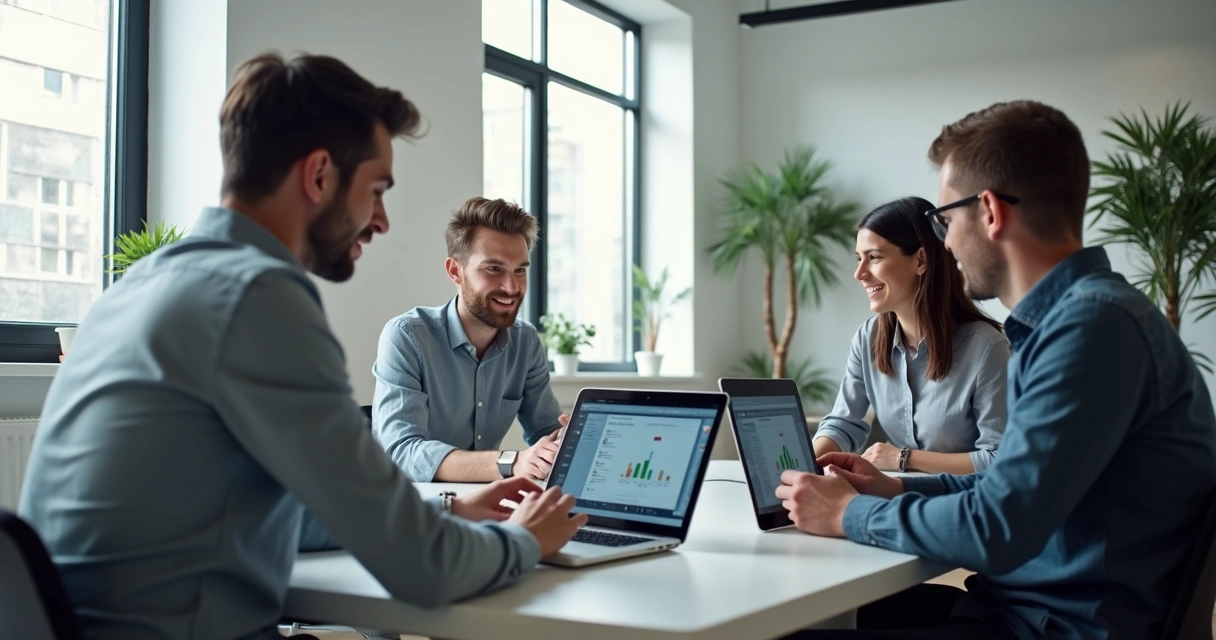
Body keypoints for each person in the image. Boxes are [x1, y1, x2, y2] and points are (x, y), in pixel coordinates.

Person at [18, 52, 586, 640]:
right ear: (318, 176)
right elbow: (424, 568)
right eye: (376, 190)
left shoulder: (147, 282)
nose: (382, 220)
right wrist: (523, 538)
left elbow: (275, 518)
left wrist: (447, 509)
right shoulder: (257, 299)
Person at [778, 100, 1216, 639]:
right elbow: (1005, 492)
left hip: (1054, 625)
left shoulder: (1089, 331)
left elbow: (998, 527)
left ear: (989, 212)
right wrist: (892, 492)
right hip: (1022, 605)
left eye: (944, 222)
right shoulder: (1072, 321)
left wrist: (847, 515)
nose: (944, 243)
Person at [372, 197, 565, 483]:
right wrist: (512, 462)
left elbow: (546, 433)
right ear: (455, 271)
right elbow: (401, 453)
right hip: (411, 511)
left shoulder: (526, 342)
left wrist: (564, 441)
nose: (511, 287)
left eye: (520, 270)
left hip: (484, 504)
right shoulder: (407, 336)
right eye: (493, 269)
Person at [812, 197, 1010, 475]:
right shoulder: (867, 338)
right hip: (895, 497)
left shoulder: (988, 348)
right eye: (859, 259)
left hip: (963, 505)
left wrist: (905, 457)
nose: (859, 274)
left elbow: (999, 459)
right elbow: (843, 424)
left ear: (920, 260)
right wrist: (800, 467)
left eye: (874, 257)